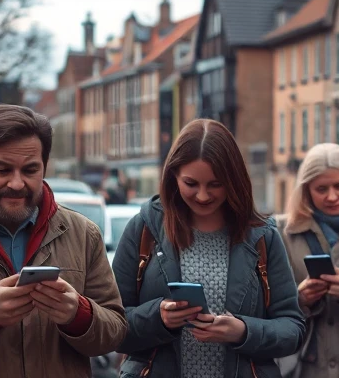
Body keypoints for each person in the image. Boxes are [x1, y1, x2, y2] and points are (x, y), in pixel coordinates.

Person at [112, 119, 304, 378]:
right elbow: (110, 324)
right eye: (191, 184)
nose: (203, 196)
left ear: (234, 180)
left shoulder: (262, 236)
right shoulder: (144, 228)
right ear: (173, 176)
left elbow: (292, 329)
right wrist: (158, 318)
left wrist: (243, 331)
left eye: (215, 184)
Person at [0, 104, 127, 376]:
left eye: (30, 170)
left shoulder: (84, 235)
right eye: (2, 169)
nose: (16, 183)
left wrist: (79, 315)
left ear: (45, 166)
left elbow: (116, 331)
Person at [276, 143, 339, 377]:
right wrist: (299, 298)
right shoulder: (281, 232)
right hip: (307, 367)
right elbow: (266, 303)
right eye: (321, 188)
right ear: (305, 190)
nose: (332, 196)